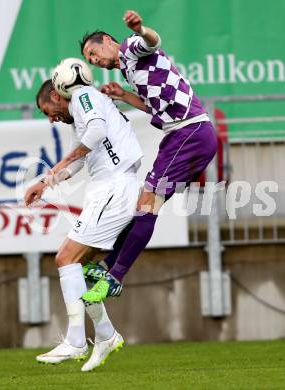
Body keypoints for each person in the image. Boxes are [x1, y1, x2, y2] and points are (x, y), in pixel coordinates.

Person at [80, 10, 218, 303]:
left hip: (189, 133)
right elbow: (155, 109)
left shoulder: (130, 47)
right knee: (144, 206)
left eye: (94, 53)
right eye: (90, 60)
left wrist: (141, 28)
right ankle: (107, 268)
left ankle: (115, 277)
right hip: (183, 135)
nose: (95, 61)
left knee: (146, 204)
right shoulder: (129, 69)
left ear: (107, 41)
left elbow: (152, 41)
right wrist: (124, 96)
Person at [25, 77, 143, 371]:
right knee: (82, 268)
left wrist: (53, 171)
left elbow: (97, 132)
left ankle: (76, 340)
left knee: (66, 258)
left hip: (114, 187)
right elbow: (78, 160)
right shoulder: (81, 115)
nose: (51, 119)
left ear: (55, 95)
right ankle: (105, 335)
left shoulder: (82, 96)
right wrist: (45, 182)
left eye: (47, 110)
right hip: (109, 187)